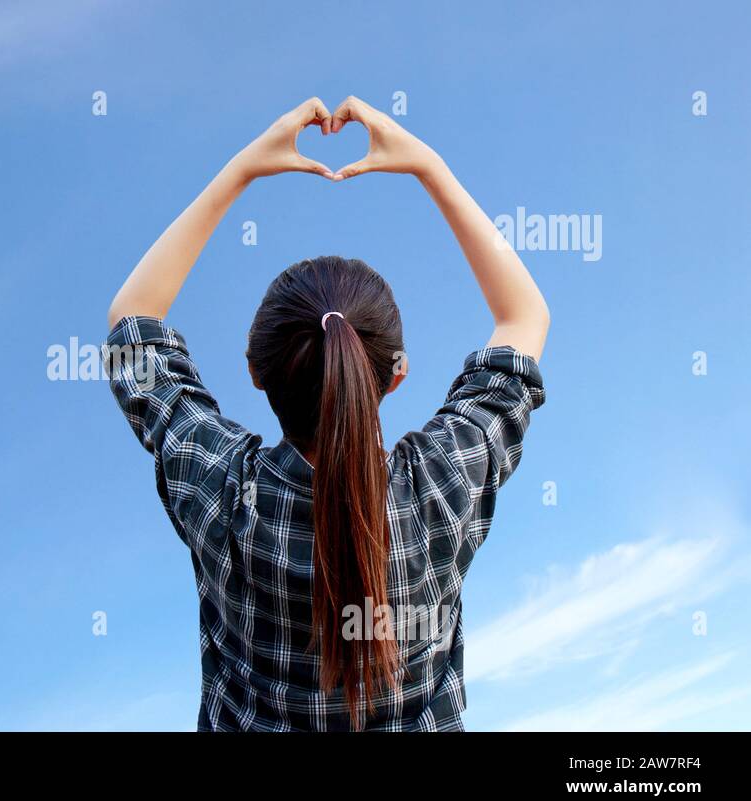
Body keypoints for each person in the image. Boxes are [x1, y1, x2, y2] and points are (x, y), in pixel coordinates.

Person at [105, 96, 550, 731]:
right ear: (396, 376)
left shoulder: (223, 491)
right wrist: (430, 167)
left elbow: (132, 326)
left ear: (256, 373)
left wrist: (241, 169)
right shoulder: (445, 481)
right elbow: (525, 317)